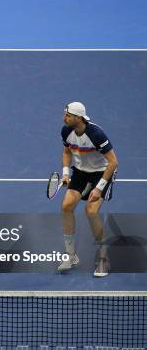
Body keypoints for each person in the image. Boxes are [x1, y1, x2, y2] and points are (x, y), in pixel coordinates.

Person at [57, 102, 118, 277]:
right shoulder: (66, 131)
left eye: (68, 115)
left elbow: (114, 162)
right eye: (65, 114)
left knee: (91, 211)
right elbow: (67, 152)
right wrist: (66, 173)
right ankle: (71, 255)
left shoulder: (96, 134)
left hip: (102, 171)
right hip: (82, 171)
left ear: (79, 118)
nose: (64, 117)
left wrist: (98, 189)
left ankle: (103, 258)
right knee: (67, 207)